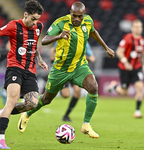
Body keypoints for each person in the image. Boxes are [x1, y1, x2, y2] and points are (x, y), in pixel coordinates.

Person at [17, 2, 115, 139]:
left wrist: (106, 47)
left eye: (79, 16)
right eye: (74, 15)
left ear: (84, 15)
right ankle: (27, 114)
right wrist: (59, 36)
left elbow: (93, 31)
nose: (76, 19)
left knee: (93, 87)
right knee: (46, 99)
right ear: (70, 13)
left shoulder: (88, 21)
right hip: (60, 69)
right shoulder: (61, 23)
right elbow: (44, 40)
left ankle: (86, 125)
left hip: (79, 66)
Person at [0, 0, 48, 149]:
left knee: (33, 103)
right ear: (25, 14)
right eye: (33, 19)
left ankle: (1, 113)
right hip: (14, 68)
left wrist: (39, 59)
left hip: (30, 71)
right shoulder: (14, 26)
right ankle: (0, 138)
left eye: (37, 19)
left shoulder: (39, 26)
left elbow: (33, 45)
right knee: (12, 100)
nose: (35, 22)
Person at [50, 42, 96, 122]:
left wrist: (83, 58)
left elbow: (92, 58)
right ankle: (59, 86)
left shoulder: (84, 42)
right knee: (66, 95)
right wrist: (52, 64)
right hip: (63, 70)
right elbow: (52, 50)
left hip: (76, 71)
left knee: (77, 91)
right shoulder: (65, 38)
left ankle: (66, 115)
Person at [108, 19, 144, 118]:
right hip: (124, 68)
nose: (138, 29)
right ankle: (114, 86)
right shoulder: (127, 38)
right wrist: (126, 63)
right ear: (132, 28)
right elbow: (119, 52)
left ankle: (137, 111)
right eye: (136, 27)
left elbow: (142, 55)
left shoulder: (142, 40)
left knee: (139, 87)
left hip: (137, 68)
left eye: (140, 27)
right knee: (124, 92)